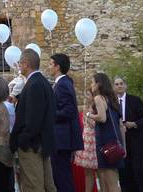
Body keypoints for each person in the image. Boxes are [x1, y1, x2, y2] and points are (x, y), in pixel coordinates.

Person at [9, 49, 56, 192]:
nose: (18, 67)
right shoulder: (43, 83)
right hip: (42, 142)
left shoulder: (34, 84)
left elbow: (33, 119)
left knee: (33, 186)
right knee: (47, 186)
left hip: (32, 146)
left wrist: (22, 139)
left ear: (26, 63)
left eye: (19, 63)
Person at [50, 53, 82, 192]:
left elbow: (68, 111)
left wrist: (49, 115)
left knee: (63, 178)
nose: (48, 66)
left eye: (51, 64)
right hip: (60, 139)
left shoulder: (63, 84)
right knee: (60, 177)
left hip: (61, 139)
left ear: (57, 66)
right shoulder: (62, 83)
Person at [88, 74, 125, 192]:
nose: (91, 85)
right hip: (115, 142)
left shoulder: (98, 98)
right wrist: (124, 147)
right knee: (113, 179)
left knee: (110, 181)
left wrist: (89, 115)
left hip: (105, 143)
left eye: (92, 82)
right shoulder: (113, 99)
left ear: (98, 84)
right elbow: (120, 125)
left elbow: (102, 118)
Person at [113, 78, 143, 192]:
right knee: (124, 171)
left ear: (125, 86)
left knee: (139, 171)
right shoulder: (112, 103)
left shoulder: (135, 100)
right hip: (120, 142)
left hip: (136, 141)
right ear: (113, 87)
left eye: (121, 84)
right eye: (116, 84)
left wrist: (134, 124)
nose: (119, 86)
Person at [73, 100, 98, 192]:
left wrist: (87, 114)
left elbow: (94, 124)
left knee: (101, 172)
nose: (86, 97)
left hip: (95, 141)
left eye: (88, 94)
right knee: (87, 172)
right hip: (85, 142)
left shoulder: (97, 106)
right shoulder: (84, 108)